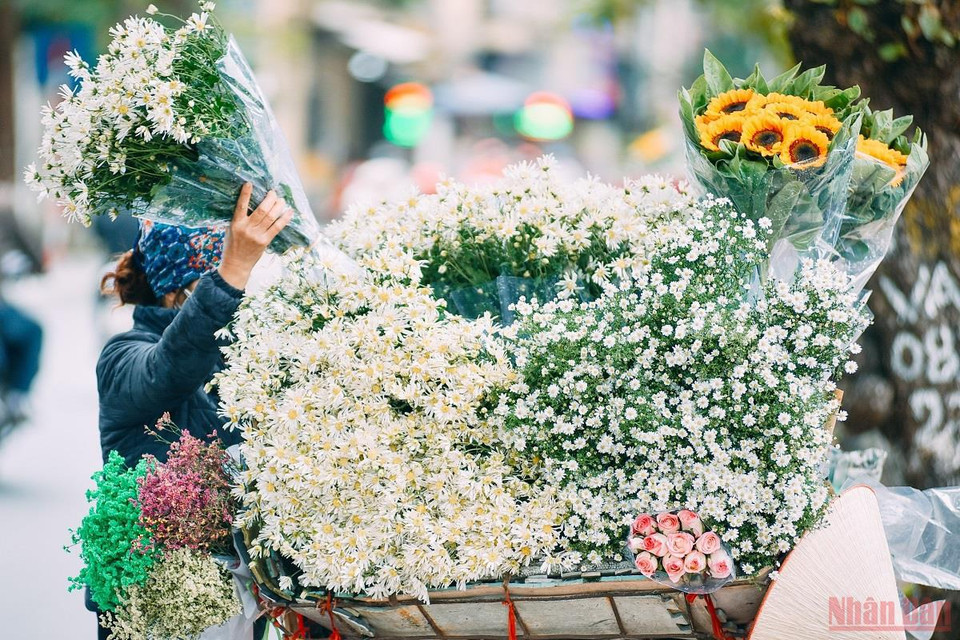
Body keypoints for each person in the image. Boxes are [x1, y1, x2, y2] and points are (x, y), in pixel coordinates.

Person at [91, 184, 293, 638]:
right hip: (156, 605)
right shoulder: (123, 355)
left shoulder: (242, 359)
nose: (241, 295)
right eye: (214, 280)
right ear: (175, 291)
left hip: (235, 603)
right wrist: (232, 271)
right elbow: (171, 367)